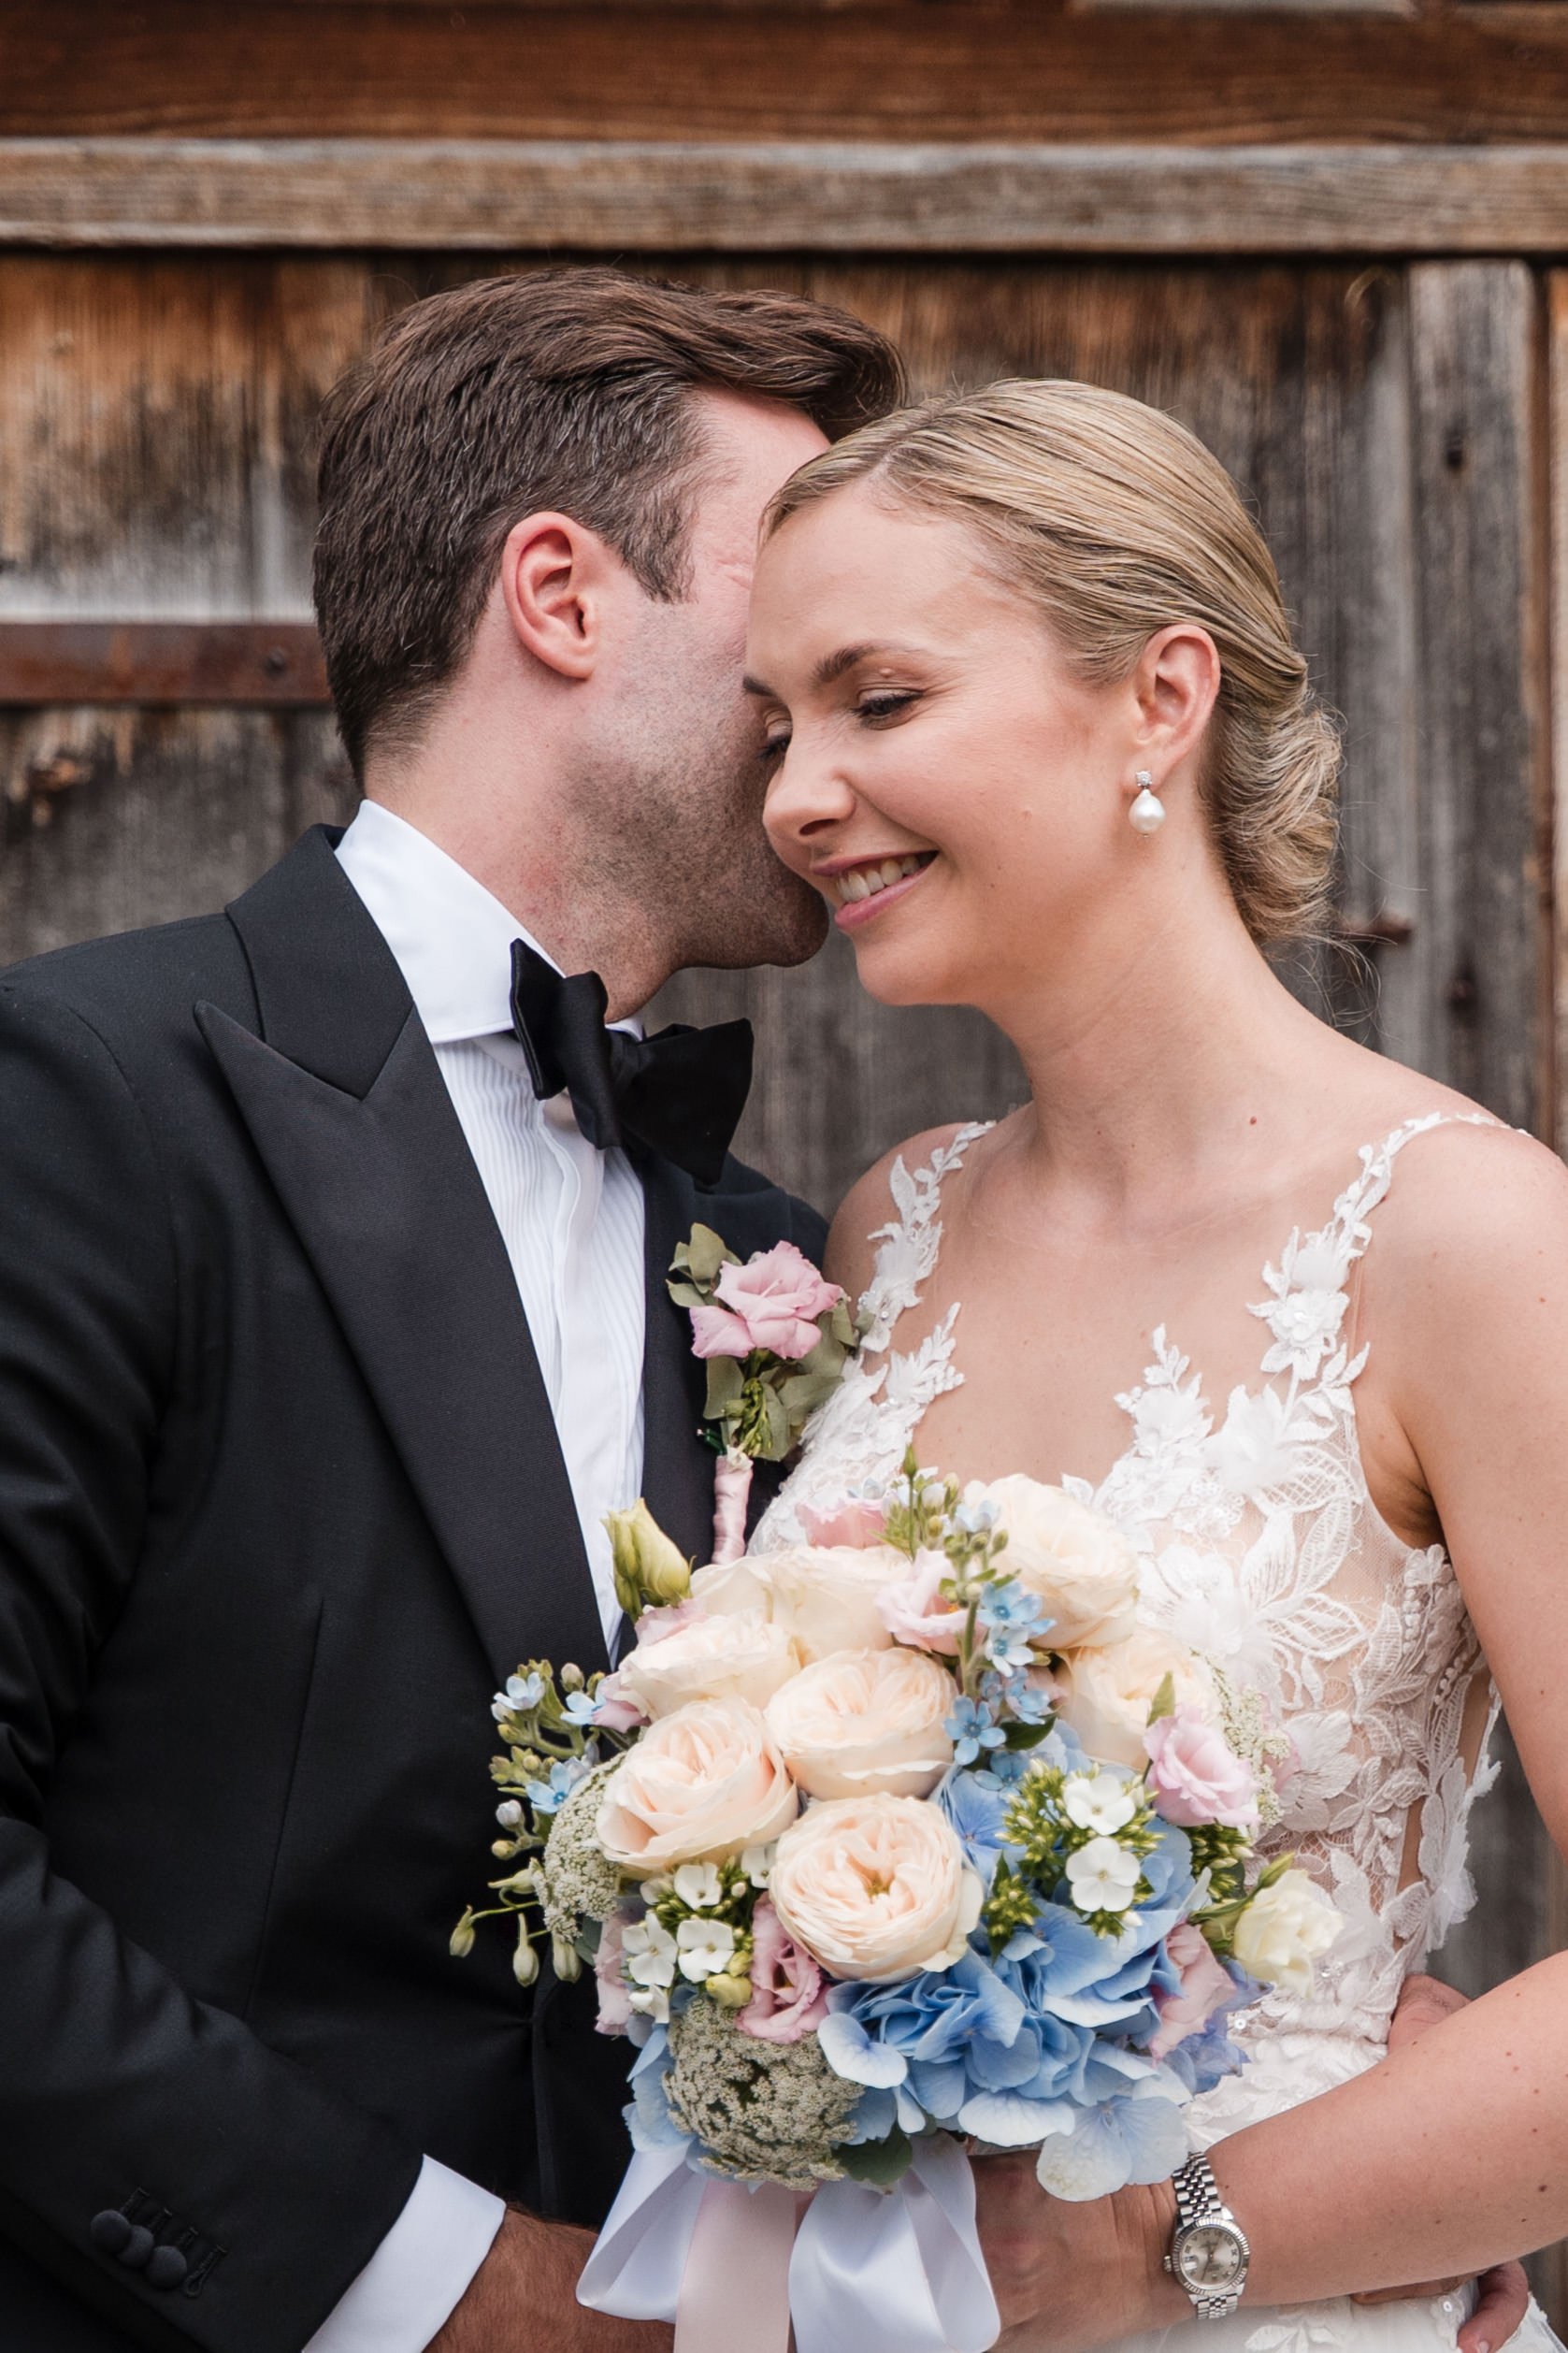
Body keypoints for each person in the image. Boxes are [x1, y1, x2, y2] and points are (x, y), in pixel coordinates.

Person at [0, 267, 903, 2353]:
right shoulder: (82, 1096)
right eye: (794, 598)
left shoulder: (772, 1252)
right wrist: (442, 2290)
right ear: (560, 594)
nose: (843, 674)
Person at [744, 378, 1568, 2353]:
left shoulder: (1460, 1240)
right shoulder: (895, 1224)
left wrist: (1179, 2235)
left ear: (1156, 695)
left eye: (874, 699)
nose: (787, 793)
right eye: (770, 724)